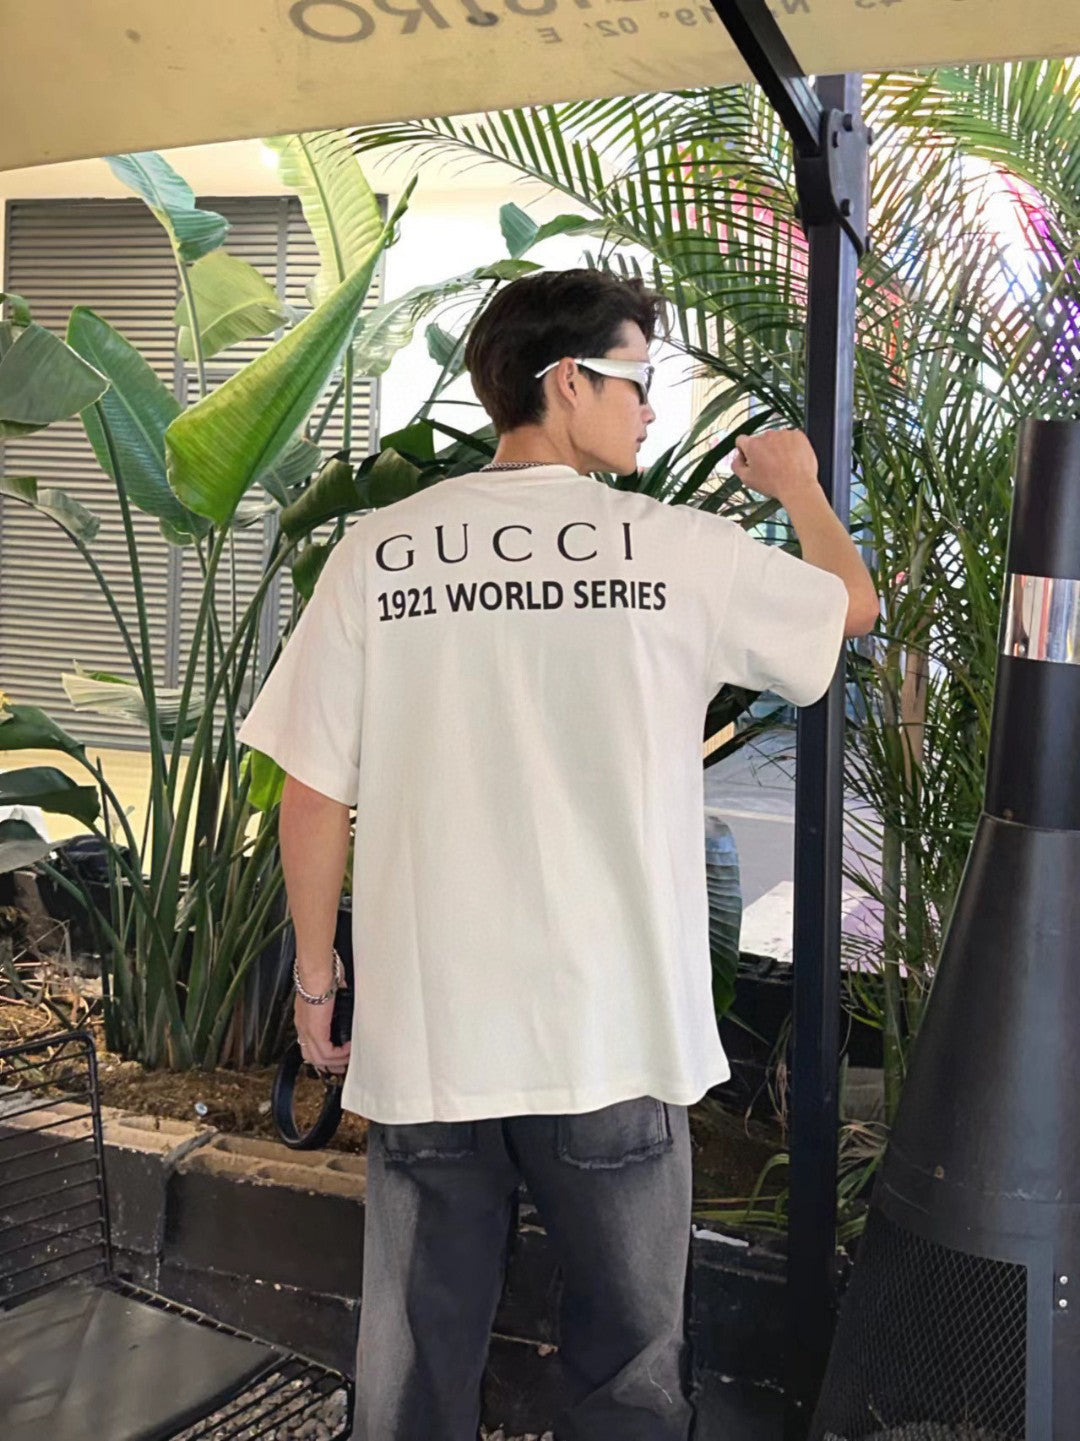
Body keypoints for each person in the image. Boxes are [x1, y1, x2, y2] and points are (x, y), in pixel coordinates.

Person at [237, 268, 878, 1441]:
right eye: (636, 379)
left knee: (414, 1369)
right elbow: (848, 605)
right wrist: (798, 486)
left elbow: (314, 789)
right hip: (610, 1034)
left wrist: (318, 986)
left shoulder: (382, 553)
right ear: (566, 381)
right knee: (629, 1367)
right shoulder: (677, 551)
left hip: (435, 1033)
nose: (650, 407)